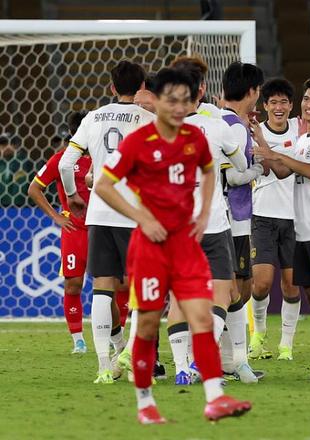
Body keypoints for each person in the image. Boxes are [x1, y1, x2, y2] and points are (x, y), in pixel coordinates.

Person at [95, 67, 251, 424]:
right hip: (151, 247)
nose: (179, 107)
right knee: (148, 324)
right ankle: (145, 404)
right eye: (172, 100)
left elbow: (209, 172)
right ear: (157, 100)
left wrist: (203, 212)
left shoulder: (195, 137)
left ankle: (214, 399)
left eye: (185, 100)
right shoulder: (138, 140)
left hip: (186, 246)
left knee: (202, 317)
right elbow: (103, 185)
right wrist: (142, 217)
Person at [59, 60, 155, 383]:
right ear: (142, 87)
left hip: (99, 211)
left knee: (102, 285)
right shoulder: (148, 119)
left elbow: (66, 164)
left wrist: (72, 194)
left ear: (112, 87)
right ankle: (135, 358)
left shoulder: (93, 117)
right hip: (133, 212)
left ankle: (103, 365)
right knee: (141, 287)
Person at [164, 56, 251, 385]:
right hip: (212, 224)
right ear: (200, 89)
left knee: (179, 298)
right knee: (222, 294)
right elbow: (241, 164)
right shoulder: (216, 126)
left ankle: (182, 367)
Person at [254, 75, 310, 381]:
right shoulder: (304, 139)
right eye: (307, 98)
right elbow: (282, 172)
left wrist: (278, 154)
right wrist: (264, 146)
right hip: (301, 230)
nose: (309, 105)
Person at [248, 77, 302, 361]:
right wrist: (261, 142)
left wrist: (267, 148)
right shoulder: (253, 133)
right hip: (263, 216)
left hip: (296, 217)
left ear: (291, 105)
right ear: (265, 106)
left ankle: (286, 345)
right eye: (273, 102)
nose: (279, 107)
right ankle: (258, 335)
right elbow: (270, 170)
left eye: (284, 102)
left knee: (292, 285)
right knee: (261, 283)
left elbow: (288, 168)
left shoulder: (301, 129)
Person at [28, 111, 91, 354]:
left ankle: (114, 336)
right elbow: (34, 189)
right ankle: (78, 341)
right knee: (73, 285)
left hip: (101, 228)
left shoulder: (103, 156)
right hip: (74, 230)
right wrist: (56, 216)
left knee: (115, 284)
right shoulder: (62, 159)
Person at [218, 61, 265, 381]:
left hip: (227, 218)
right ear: (251, 91)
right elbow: (233, 177)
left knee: (235, 290)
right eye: (258, 90)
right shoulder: (233, 127)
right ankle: (228, 360)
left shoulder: (219, 121)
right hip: (233, 219)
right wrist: (258, 168)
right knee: (236, 291)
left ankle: (229, 360)